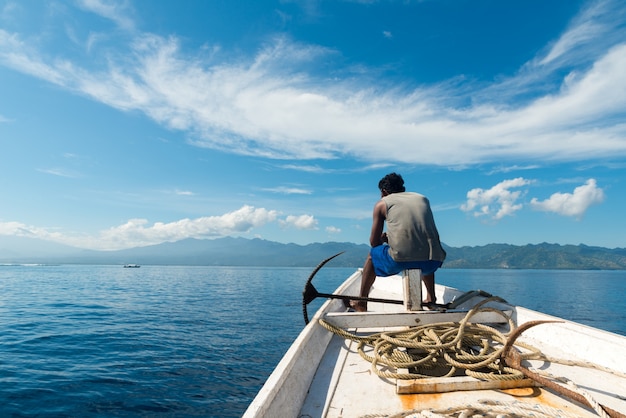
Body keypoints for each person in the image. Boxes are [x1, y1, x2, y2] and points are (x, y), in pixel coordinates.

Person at [351, 173, 446, 312]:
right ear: (403, 188)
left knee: (372, 255)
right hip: (433, 262)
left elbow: (374, 243)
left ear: (384, 192)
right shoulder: (423, 199)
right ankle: (431, 298)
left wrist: (384, 240)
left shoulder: (382, 203)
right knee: (423, 248)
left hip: (400, 261)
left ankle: (362, 302)